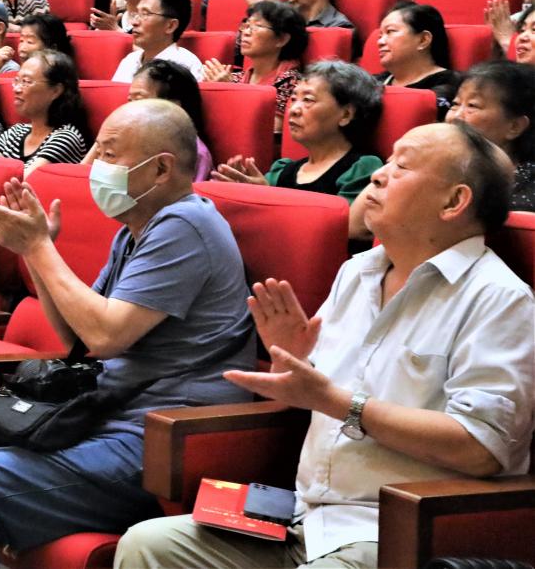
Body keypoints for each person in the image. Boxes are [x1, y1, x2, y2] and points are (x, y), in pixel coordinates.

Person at [116, 121, 534, 569]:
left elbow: (482, 448)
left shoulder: (499, 299)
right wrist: (295, 359)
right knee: (147, 544)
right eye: (387, 160)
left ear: (453, 202)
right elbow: (319, 389)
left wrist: (337, 402)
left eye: (402, 166)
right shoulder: (357, 272)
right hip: (306, 516)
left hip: (397, 531)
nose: (379, 175)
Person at [0, 98, 254, 569]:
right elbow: (76, 340)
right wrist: (34, 252)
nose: (95, 164)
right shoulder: (134, 231)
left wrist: (40, 247)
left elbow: (106, 337)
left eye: (109, 153)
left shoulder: (185, 225)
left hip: (163, 441)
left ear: (161, 169)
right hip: (106, 418)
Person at [213, 60, 383, 202]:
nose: (293, 109)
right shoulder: (282, 170)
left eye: (308, 100)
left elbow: (344, 226)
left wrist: (270, 198)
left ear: (346, 114)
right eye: (293, 99)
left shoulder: (361, 168)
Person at [86, 59, 215, 181]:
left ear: (174, 106)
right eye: (130, 101)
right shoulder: (126, 139)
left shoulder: (195, 153)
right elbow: (83, 178)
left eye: (139, 100)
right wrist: (103, 142)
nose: (130, 109)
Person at [445, 61, 535, 211]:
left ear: (514, 127)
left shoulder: (524, 195)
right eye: (455, 104)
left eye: (472, 105)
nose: (456, 116)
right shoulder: (437, 166)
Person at [204, 0, 307, 130]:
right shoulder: (235, 78)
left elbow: (272, 130)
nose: (246, 32)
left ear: (282, 39)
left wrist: (231, 93)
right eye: (246, 26)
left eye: (256, 27)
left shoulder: (291, 82)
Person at [0, 49, 88, 173]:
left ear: (55, 91)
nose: (16, 89)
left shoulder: (66, 138)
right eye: (17, 80)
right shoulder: (15, 132)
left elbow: (23, 181)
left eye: (26, 82)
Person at [373, 3, 460, 118]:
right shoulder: (374, 82)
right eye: (380, 36)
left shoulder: (452, 85)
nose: (380, 42)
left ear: (423, 40)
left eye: (390, 31)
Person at [113, 0, 204, 82]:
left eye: (145, 14)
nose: (134, 22)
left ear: (170, 26)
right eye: (136, 14)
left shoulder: (186, 65)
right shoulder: (130, 60)